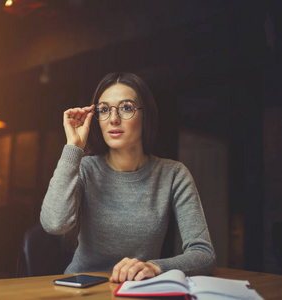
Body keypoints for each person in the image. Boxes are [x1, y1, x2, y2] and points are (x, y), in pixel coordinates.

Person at [40, 72, 215, 283]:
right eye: (104, 110)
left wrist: (154, 267)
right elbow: (54, 224)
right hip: (81, 290)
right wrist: (73, 147)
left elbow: (203, 253)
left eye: (126, 107)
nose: (113, 119)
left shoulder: (173, 175)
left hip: (138, 290)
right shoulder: (86, 168)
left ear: (146, 115)